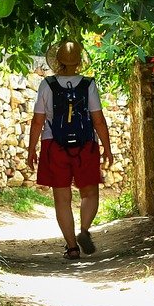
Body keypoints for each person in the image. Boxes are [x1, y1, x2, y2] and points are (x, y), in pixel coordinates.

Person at [26, 40, 114, 259]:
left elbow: (37, 121)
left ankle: (72, 247)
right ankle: (84, 230)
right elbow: (98, 120)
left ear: (57, 61)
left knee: (62, 198)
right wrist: (107, 148)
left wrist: (31, 149)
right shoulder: (88, 85)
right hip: (86, 146)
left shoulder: (47, 85)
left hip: (54, 145)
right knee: (90, 192)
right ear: (79, 62)